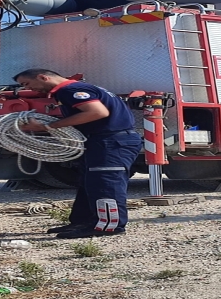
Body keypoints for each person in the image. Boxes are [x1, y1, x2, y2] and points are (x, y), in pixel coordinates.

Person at [13, 69, 142, 239]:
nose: (30, 89)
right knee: (90, 182)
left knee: (105, 183)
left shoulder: (68, 90)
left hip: (111, 142)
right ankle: (84, 222)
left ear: (43, 77)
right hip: (102, 141)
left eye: (27, 84)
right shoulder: (77, 88)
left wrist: (47, 127)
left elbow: (97, 112)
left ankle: (109, 226)